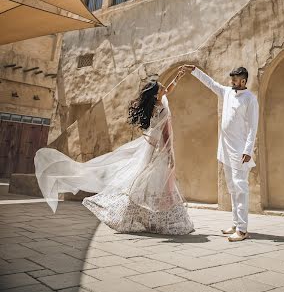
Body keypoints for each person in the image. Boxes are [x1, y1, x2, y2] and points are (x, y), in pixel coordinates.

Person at [34, 71, 194, 235]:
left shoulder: (155, 107)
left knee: (142, 183)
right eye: (161, 88)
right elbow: (166, 135)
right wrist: (170, 156)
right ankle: (163, 222)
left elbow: (167, 91)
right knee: (160, 186)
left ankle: (142, 218)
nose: (164, 88)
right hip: (158, 150)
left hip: (150, 148)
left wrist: (177, 77)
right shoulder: (162, 110)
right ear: (156, 95)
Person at [180, 65, 258, 241]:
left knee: (240, 187)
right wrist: (194, 70)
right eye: (232, 79)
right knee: (232, 187)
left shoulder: (250, 99)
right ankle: (236, 223)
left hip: (240, 151)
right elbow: (211, 83)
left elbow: (253, 127)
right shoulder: (227, 92)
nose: (232, 82)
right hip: (225, 149)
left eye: (235, 79)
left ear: (243, 81)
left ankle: (243, 230)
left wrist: (248, 150)